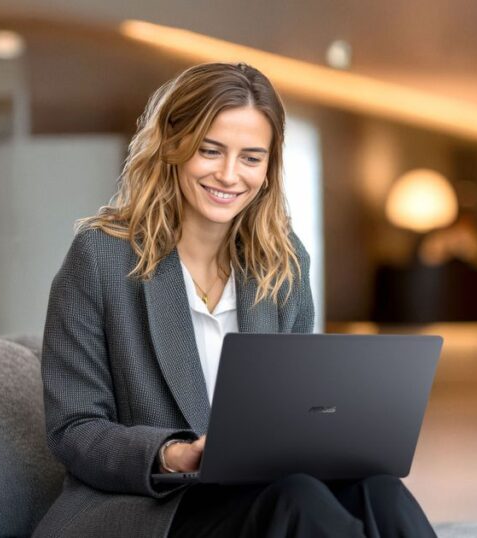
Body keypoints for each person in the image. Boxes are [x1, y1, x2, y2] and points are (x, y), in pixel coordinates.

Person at [33, 62, 435, 537]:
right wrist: (173, 453)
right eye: (210, 150)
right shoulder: (100, 257)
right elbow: (73, 429)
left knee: (379, 489)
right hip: (152, 508)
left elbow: (297, 410)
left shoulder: (282, 264)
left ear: (268, 168)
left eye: (250, 157)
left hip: (256, 492)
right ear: (173, 146)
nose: (228, 175)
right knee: (297, 499)